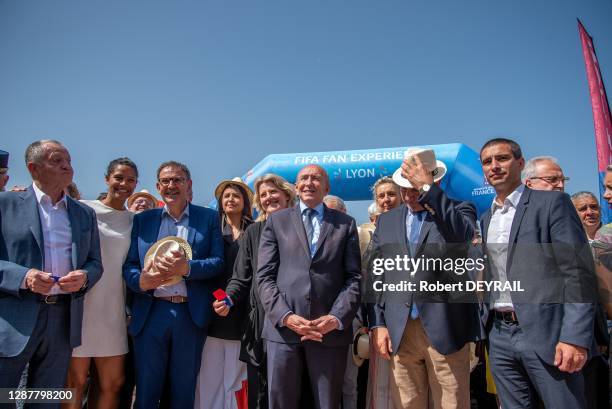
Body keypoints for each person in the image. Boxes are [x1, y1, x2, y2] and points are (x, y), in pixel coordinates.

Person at [479, 137, 597, 409]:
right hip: (499, 335)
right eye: (487, 162)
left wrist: (574, 337)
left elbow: (577, 273)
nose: (494, 166)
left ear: (520, 163)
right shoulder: (487, 218)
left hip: (549, 335)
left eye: (502, 158)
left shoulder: (552, 203)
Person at [368, 148, 480, 409]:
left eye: (415, 188)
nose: (408, 194)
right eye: (404, 188)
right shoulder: (386, 222)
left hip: (446, 328)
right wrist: (378, 324)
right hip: (400, 330)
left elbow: (460, 237)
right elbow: (376, 275)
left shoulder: (459, 211)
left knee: (452, 403)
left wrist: (430, 191)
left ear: (434, 183)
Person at [0, 140, 103, 397]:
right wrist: (23, 276)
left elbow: (95, 262)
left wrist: (84, 277)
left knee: (46, 399)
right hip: (15, 318)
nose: (66, 166)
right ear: (33, 169)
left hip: (62, 319)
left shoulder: (83, 213)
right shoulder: (5, 205)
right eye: (57, 160)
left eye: (68, 160)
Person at [256, 164, 361, 409]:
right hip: (284, 331)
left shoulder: (345, 224)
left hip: (329, 333)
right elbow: (265, 277)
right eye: (303, 178)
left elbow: (354, 278)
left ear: (327, 187)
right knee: (281, 402)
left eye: (316, 178)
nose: (308, 183)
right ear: (296, 186)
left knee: (328, 403)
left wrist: (335, 319)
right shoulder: (277, 221)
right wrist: (286, 316)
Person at [122, 161, 224, 409]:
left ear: (188, 184)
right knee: (146, 390)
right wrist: (140, 281)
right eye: (165, 181)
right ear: (158, 187)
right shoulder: (143, 220)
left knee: (183, 391)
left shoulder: (208, 217)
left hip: (189, 314)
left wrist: (186, 268)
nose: (171, 185)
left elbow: (219, 262)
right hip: (150, 312)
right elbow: (130, 265)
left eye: (177, 180)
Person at [214, 174, 296, 409]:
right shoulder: (253, 232)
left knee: (290, 390)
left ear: (286, 195)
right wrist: (228, 297)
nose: (269, 197)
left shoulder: (302, 228)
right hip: (259, 324)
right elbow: (241, 276)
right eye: (263, 195)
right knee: (259, 393)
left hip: (294, 321)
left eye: (273, 192)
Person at [64, 158, 139, 409]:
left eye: (130, 180)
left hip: (114, 309)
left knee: (113, 383)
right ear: (107, 178)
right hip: (81, 306)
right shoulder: (82, 209)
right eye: (118, 177)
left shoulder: (135, 221)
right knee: (73, 382)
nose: (124, 184)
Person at [195, 177, 253, 409]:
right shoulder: (212, 229)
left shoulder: (255, 230)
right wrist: (221, 298)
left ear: (245, 201)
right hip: (214, 311)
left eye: (236, 196)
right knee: (209, 375)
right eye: (226, 196)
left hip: (245, 313)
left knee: (237, 378)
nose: (231, 199)